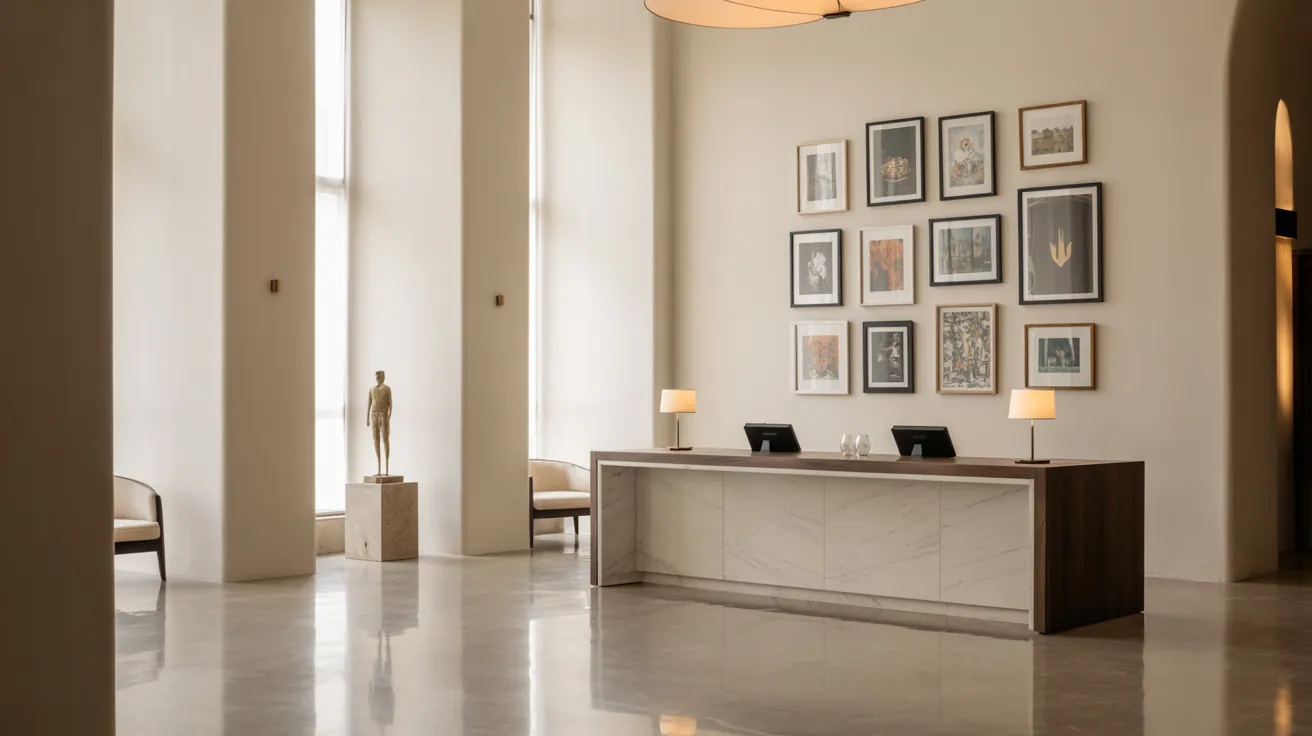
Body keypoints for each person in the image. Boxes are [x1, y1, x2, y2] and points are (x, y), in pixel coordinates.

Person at [367, 371, 393, 476]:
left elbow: (391, 404)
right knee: (375, 440)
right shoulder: (371, 390)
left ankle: (386, 468)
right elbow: (368, 404)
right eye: (376, 376)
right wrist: (367, 419)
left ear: (383, 377)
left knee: (385, 439)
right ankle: (378, 468)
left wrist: (388, 417)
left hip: (383, 415)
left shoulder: (387, 389)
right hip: (374, 415)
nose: (377, 377)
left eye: (380, 375)